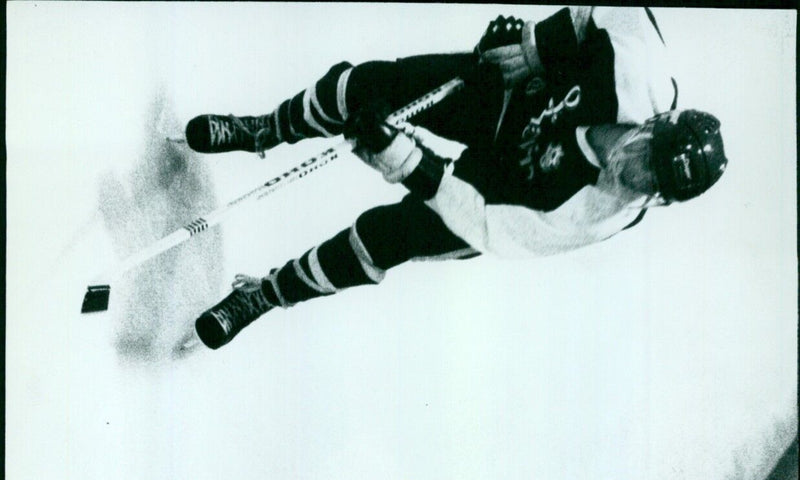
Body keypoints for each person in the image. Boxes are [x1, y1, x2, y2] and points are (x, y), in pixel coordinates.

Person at [182, 8, 728, 350]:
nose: (636, 176)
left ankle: (265, 294)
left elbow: (486, 225)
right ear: (655, 123)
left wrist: (402, 159)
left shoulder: (597, 213)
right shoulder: (637, 71)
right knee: (370, 86)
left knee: (383, 237)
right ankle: (264, 130)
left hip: (497, 196)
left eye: (654, 186)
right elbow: (616, 11)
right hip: (511, 100)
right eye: (649, 157)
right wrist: (535, 48)